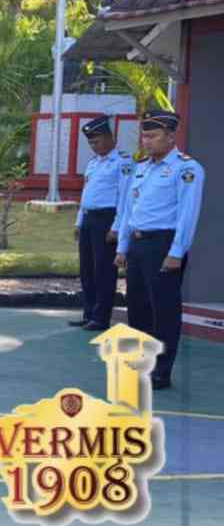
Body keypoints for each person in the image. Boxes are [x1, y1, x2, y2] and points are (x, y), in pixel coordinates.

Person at [115, 111, 207, 390]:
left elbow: (187, 215)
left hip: (163, 245)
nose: (147, 141)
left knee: (163, 310)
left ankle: (161, 371)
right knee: (138, 308)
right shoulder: (141, 168)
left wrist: (177, 252)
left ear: (170, 136)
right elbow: (129, 210)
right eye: (144, 135)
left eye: (153, 136)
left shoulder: (186, 169)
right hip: (138, 244)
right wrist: (123, 246)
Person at [69, 115, 133, 332]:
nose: (94, 147)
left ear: (109, 137)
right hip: (89, 218)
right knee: (86, 270)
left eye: (97, 142)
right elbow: (86, 194)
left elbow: (125, 198)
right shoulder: (93, 164)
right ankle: (88, 313)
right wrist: (79, 221)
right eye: (91, 143)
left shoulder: (123, 162)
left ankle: (101, 317)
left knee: (103, 271)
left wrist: (116, 227)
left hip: (107, 219)